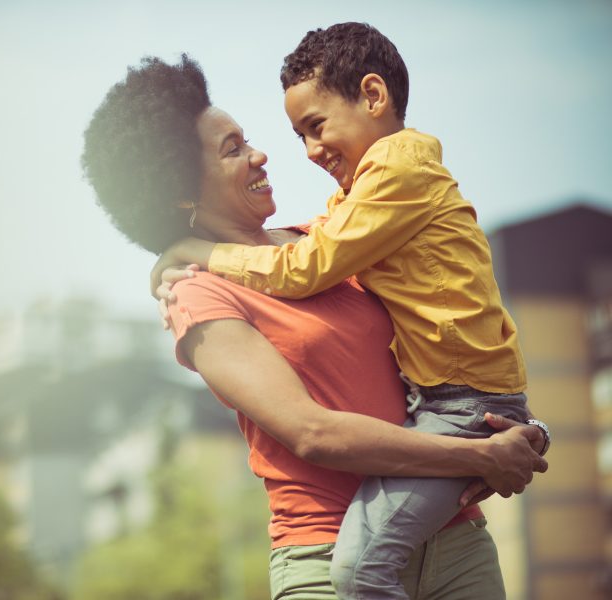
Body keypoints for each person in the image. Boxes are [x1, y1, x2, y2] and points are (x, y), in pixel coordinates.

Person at [82, 54, 547, 599]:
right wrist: (480, 457)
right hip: (328, 563)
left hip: (456, 546)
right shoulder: (199, 292)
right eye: (233, 150)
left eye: (247, 139)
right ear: (182, 193)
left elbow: (451, 327)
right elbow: (313, 433)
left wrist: (521, 431)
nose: (261, 155)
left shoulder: (324, 239)